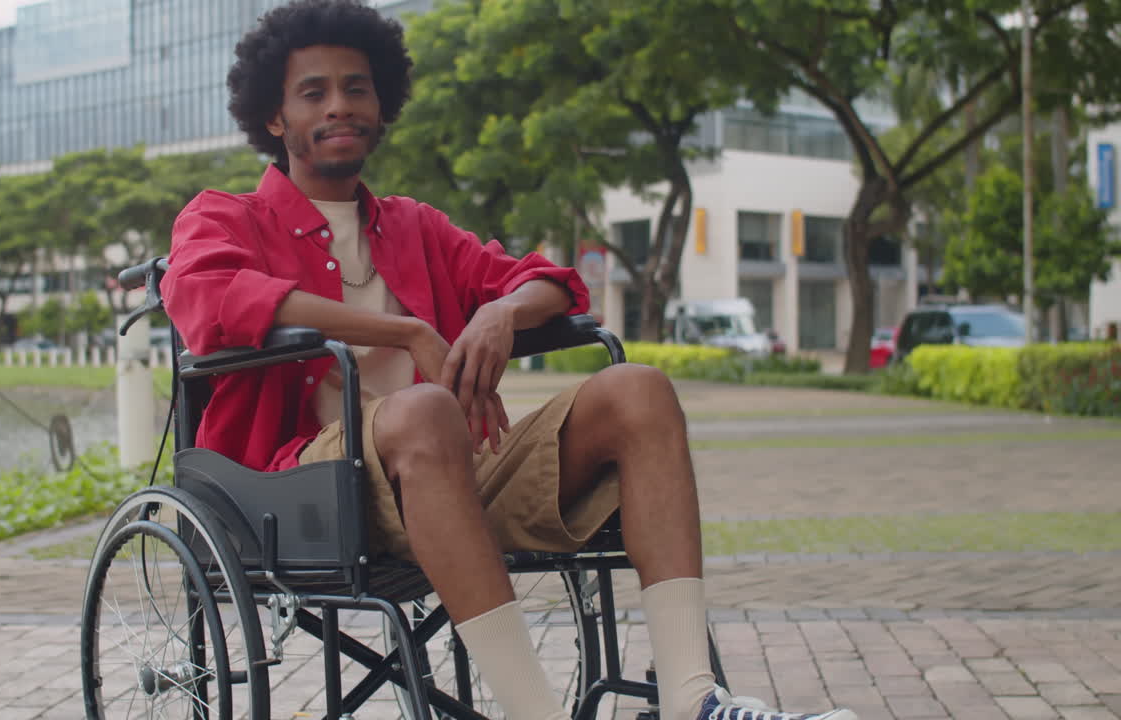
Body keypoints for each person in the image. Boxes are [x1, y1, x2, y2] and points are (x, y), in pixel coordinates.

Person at [161, 3, 856, 720]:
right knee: (427, 409)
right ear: (274, 117)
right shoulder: (224, 217)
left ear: (381, 103)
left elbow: (550, 282)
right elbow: (212, 297)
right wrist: (406, 332)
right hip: (303, 486)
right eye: (314, 92)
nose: (339, 105)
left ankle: (692, 699)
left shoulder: (416, 226)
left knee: (638, 391)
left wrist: (501, 314)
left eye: (356, 88)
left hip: (450, 473)